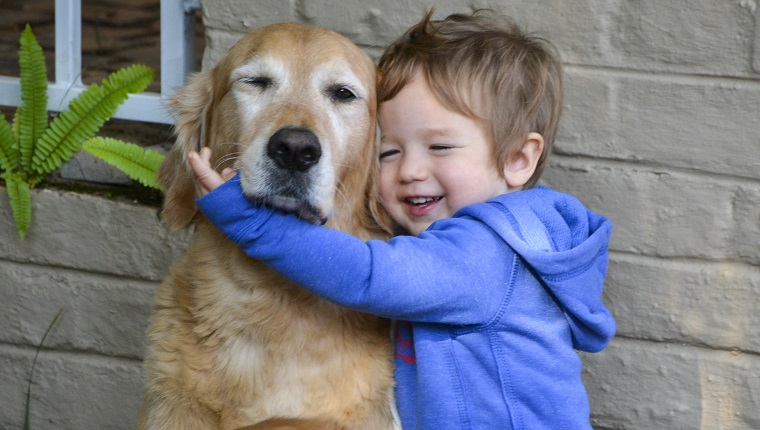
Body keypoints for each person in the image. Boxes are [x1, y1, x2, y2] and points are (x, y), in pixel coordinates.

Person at [188, 9, 615, 429]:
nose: (409, 171)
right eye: (389, 151)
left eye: (441, 148)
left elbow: (367, 275)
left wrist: (249, 220)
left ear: (518, 158)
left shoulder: (489, 254)